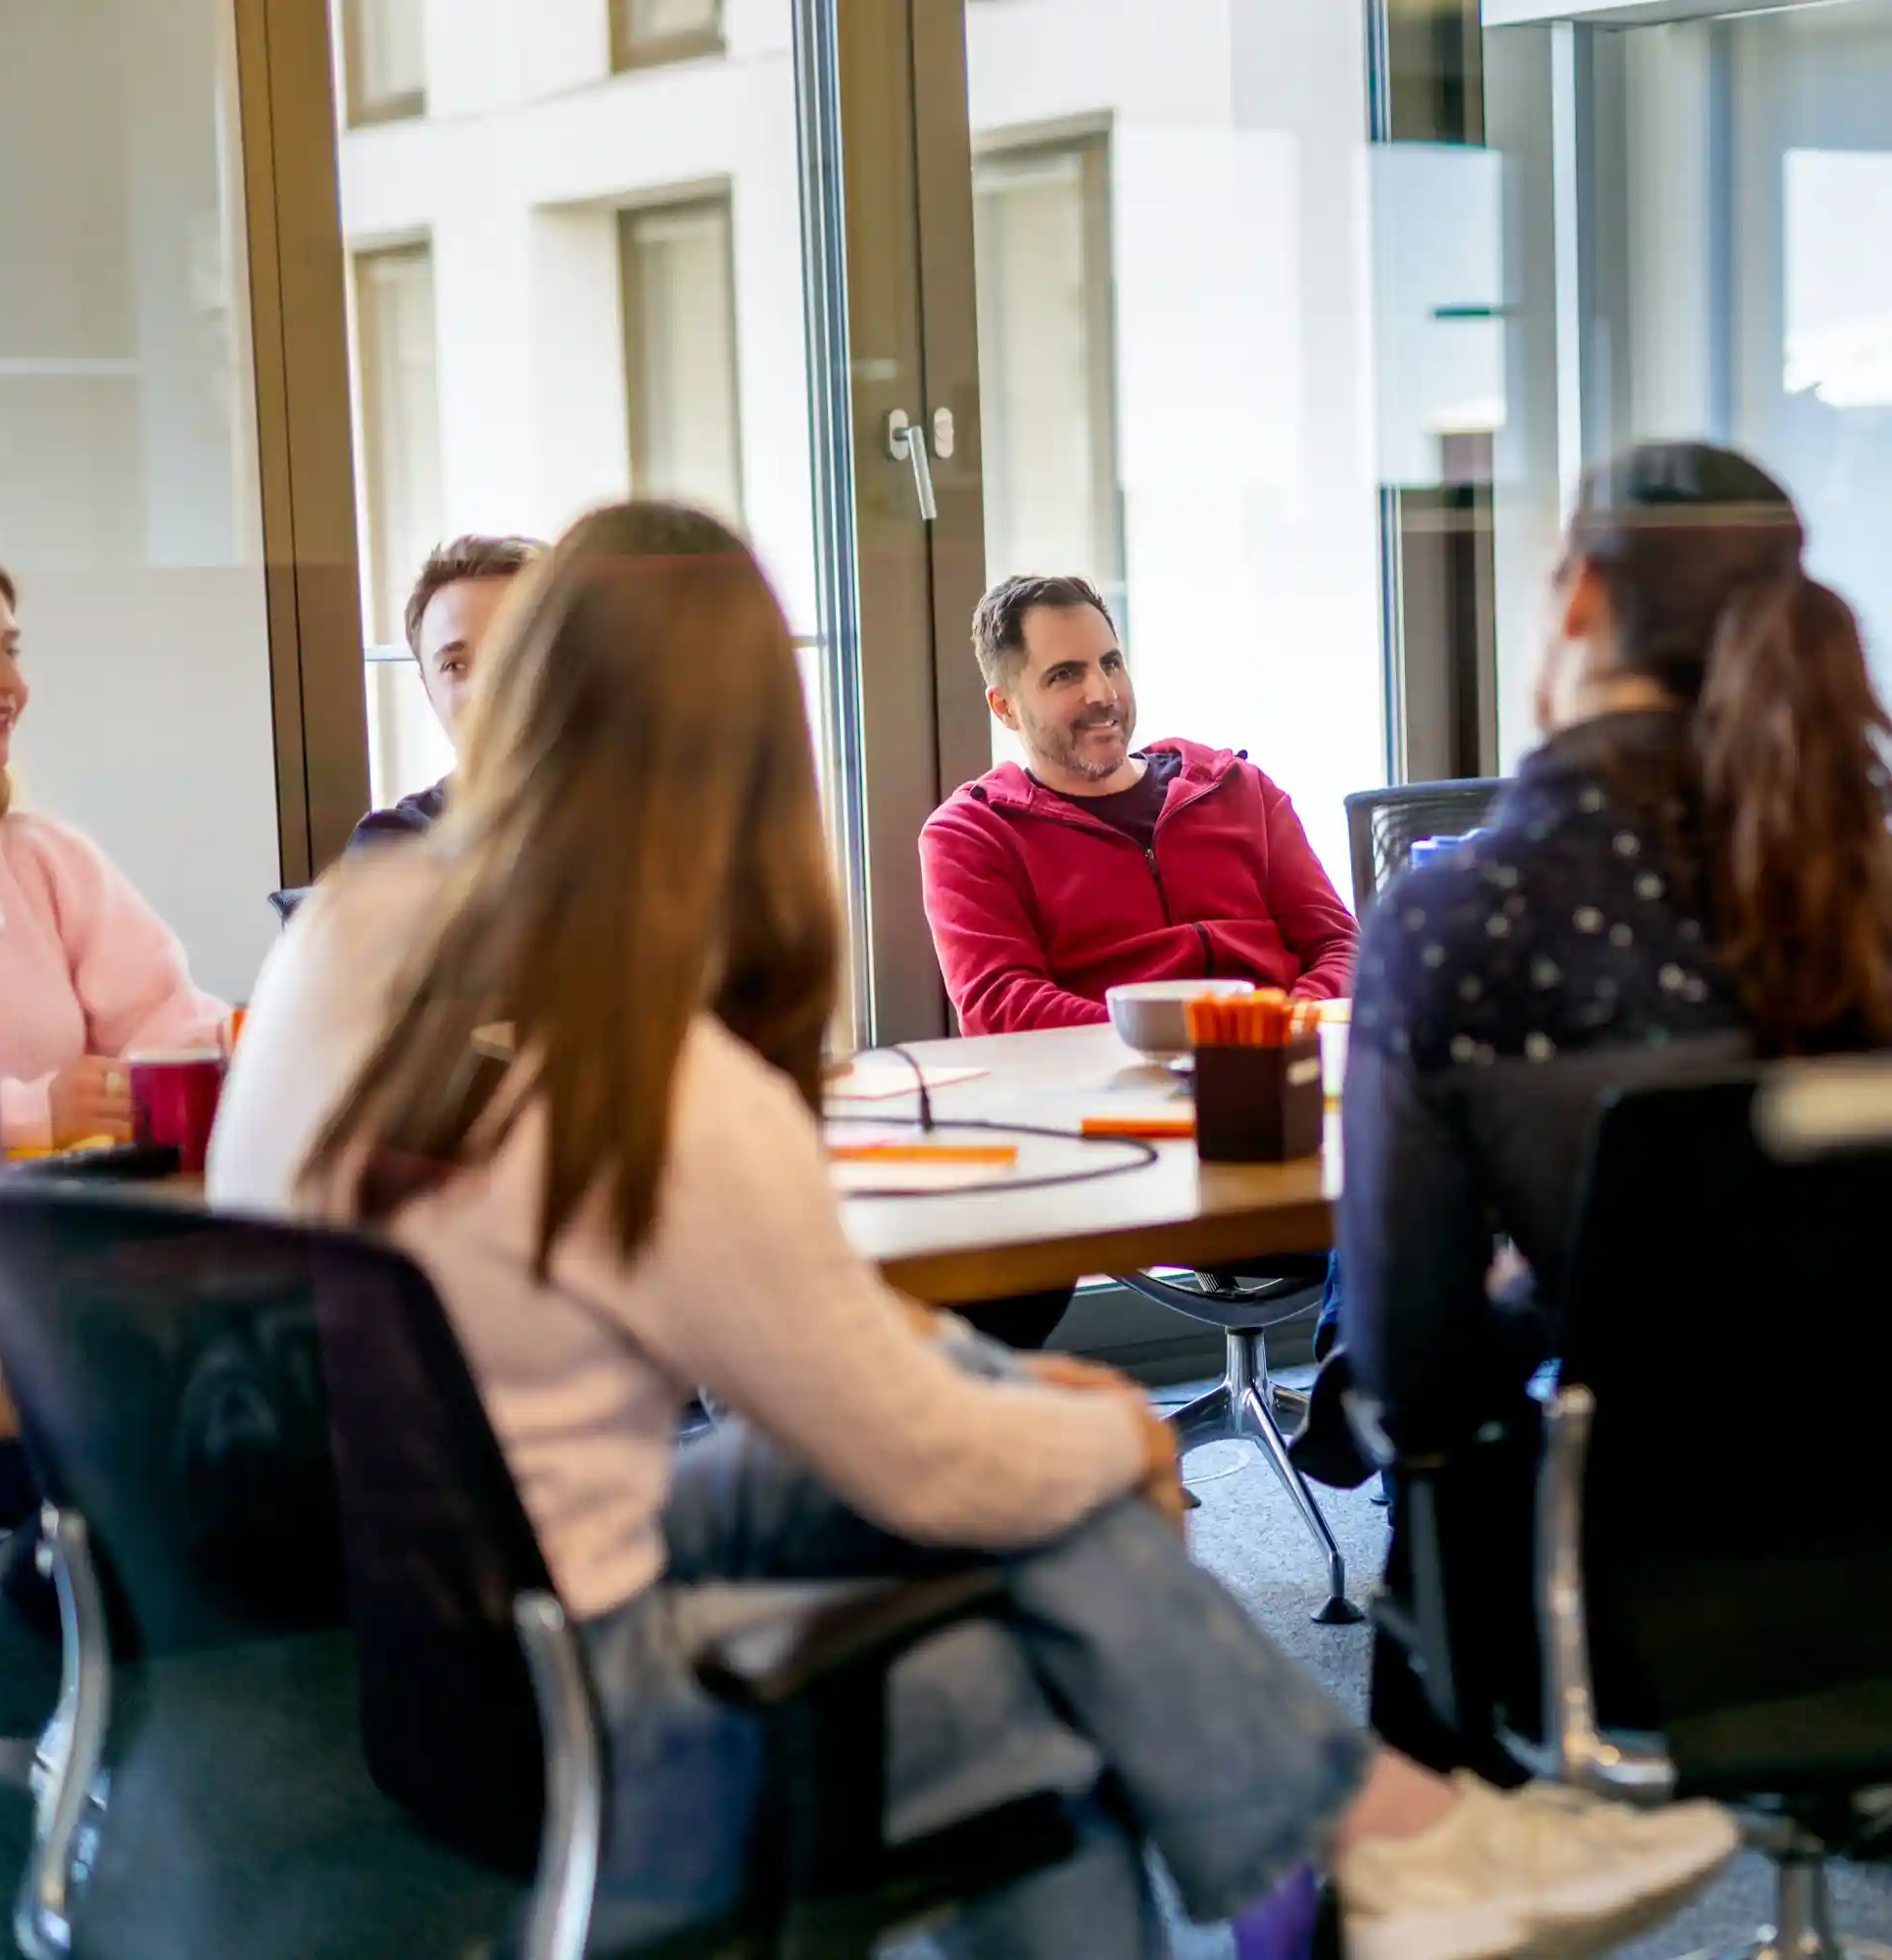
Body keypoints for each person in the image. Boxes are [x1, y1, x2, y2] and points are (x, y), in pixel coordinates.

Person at [210, 501, 1735, 1960]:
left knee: (1017, 1445)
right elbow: (911, 1457)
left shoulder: (350, 929)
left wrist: (1031, 1414)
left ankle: (1356, 1857)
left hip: (389, 1621)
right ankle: (1360, 1857)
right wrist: (1118, 1450)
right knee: (1036, 1651)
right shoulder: (651, 1071)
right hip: (563, 1685)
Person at [1331, 441, 1892, 1760]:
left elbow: (1415, 1378)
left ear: (1576, 595)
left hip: (1630, 1600)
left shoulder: (1457, 919)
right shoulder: (1865, 891)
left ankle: (1429, 1898)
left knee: (1437, 1488)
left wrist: (1550, 1291)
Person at [920, 574, 1357, 1350]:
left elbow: (1337, 944)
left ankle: (1393, 1441)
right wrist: (1195, 1047)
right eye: (1065, 675)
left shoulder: (1238, 790)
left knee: (1433, 1194)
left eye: (1110, 663)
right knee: (973, 1289)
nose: (1103, 693)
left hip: (1283, 1113)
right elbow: (1001, 1006)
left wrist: (1274, 1034)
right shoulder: (971, 834)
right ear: (1005, 707)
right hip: (1113, 1140)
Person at [0, 537, 227, 1153]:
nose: (11, 682)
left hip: (47, 1240)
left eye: (10, 651)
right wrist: (31, 1110)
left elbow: (170, 1027)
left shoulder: (46, 861)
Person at [349, 533, 544, 846]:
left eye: (514, 652)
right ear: (428, 688)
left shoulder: (639, 820)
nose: (487, 686)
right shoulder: (395, 845)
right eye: (455, 666)